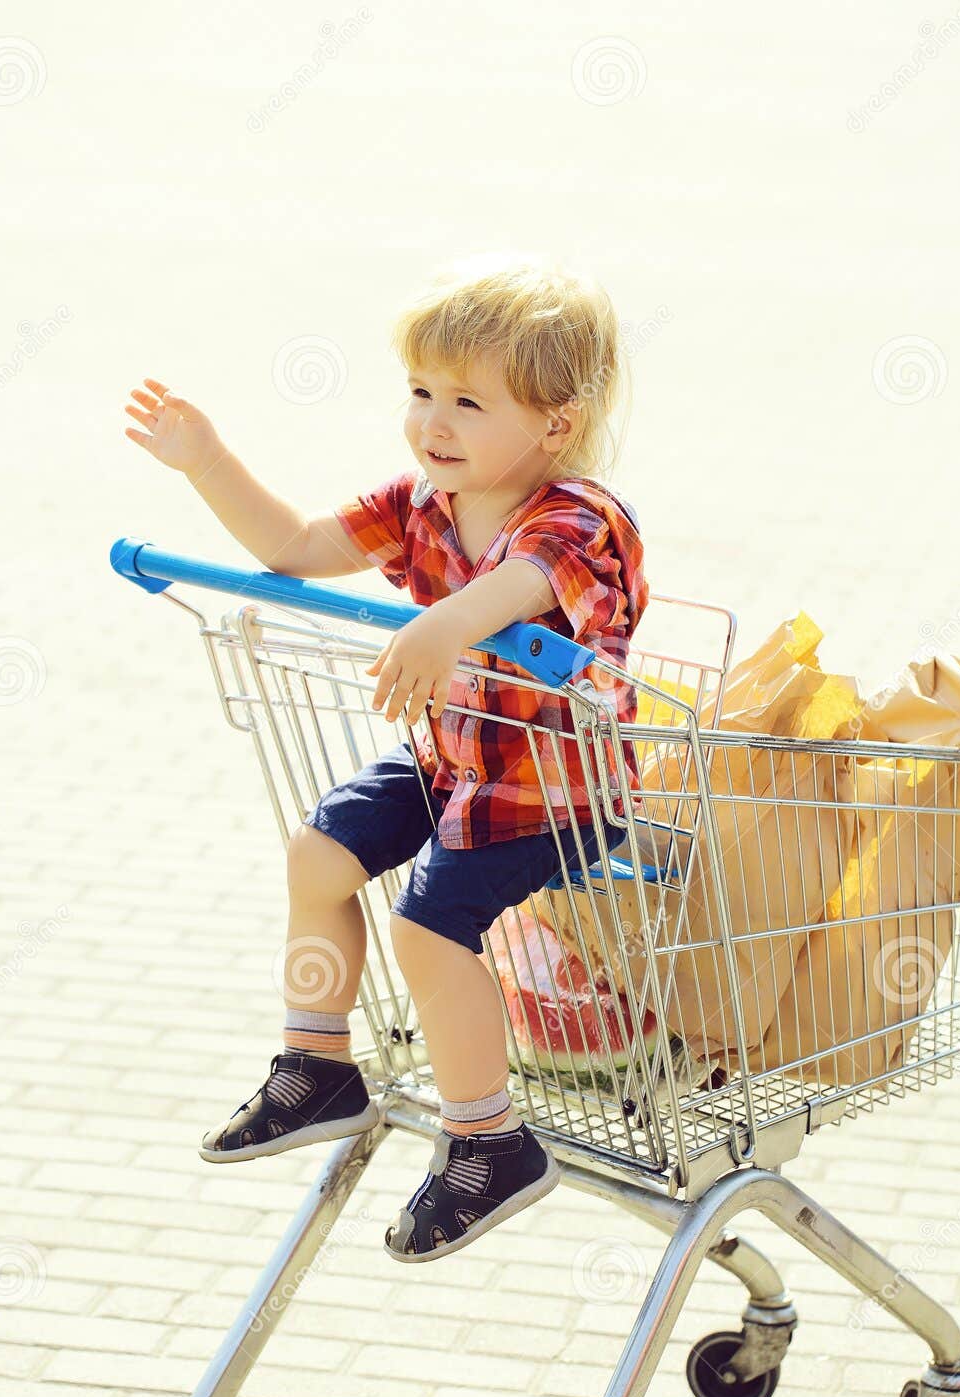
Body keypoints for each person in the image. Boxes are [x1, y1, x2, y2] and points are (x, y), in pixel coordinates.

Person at [123, 255, 648, 1262]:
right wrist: (205, 459)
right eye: (419, 393)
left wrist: (445, 623)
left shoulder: (579, 518)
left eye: (464, 401)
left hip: (552, 789)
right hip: (456, 763)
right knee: (318, 854)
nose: (431, 423)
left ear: (553, 423)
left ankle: (488, 1142)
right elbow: (293, 545)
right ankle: (317, 1066)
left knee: (427, 928)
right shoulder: (422, 503)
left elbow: (521, 588)